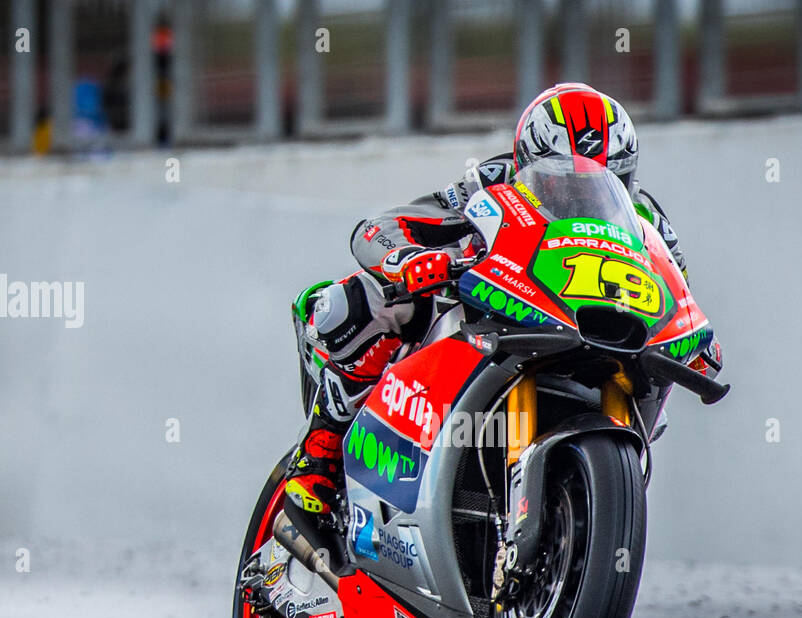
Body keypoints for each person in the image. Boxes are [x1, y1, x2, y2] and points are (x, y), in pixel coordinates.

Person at [285, 82, 697, 515]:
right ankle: (321, 448)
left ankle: (603, 492)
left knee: (662, 369)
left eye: (605, 180)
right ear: (528, 163)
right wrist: (407, 260)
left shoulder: (648, 221)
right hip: (509, 314)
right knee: (378, 298)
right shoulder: (490, 183)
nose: (581, 195)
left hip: (598, 338)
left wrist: (696, 337)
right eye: (566, 180)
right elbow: (382, 228)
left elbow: (678, 290)